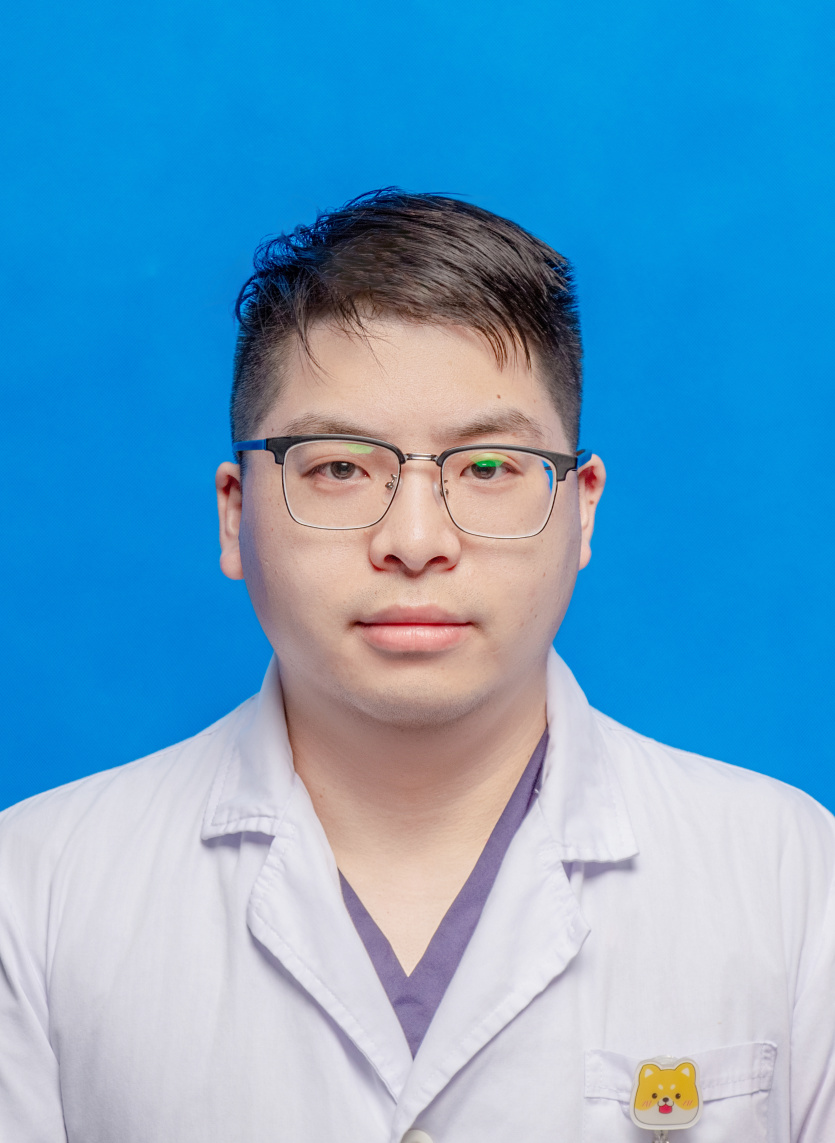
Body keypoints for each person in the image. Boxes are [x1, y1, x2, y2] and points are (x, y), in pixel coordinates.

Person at [0, 190, 832, 1143]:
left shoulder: (792, 877)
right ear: (235, 514)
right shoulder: (35, 890)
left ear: (581, 509)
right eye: (338, 467)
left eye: (488, 467)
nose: (415, 539)